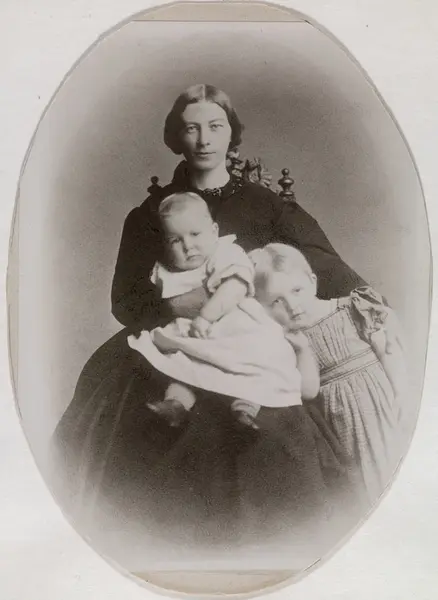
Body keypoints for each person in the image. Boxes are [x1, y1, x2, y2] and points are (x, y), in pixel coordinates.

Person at [51, 83, 378, 559]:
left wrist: (370, 306)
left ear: (231, 134)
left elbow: (322, 265)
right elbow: (125, 301)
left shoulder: (267, 205)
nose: (204, 139)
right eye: (191, 128)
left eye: (215, 126)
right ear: (176, 137)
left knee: (276, 436)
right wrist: (184, 306)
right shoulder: (150, 213)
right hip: (175, 337)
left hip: (250, 340)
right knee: (146, 434)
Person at [128, 191, 319, 431]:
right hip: (197, 335)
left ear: (214, 231)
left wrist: (205, 316)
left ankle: (246, 411)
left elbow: (235, 287)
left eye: (195, 234)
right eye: (175, 240)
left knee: (256, 365)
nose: (188, 246)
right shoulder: (166, 269)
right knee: (183, 366)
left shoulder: (225, 253)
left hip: (237, 328)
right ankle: (176, 404)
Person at [252, 243, 406, 503]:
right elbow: (308, 390)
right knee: (359, 486)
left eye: (297, 290)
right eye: (276, 301)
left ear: (312, 282)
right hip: (335, 420)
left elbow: (387, 350)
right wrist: (301, 349)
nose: (292, 305)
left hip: (378, 405)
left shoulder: (351, 308)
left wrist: (400, 391)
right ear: (262, 307)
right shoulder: (287, 340)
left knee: (392, 468)